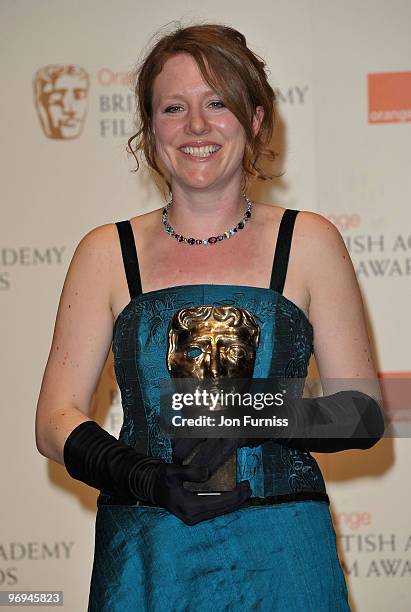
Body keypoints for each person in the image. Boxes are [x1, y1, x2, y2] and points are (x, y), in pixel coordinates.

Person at [35, 23, 384, 611]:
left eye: (216, 102)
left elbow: (362, 411)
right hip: (149, 551)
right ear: (150, 130)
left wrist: (251, 414)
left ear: (253, 120)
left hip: (283, 551)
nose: (196, 126)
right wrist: (140, 476)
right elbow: (53, 420)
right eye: (174, 107)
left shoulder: (309, 241)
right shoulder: (105, 252)